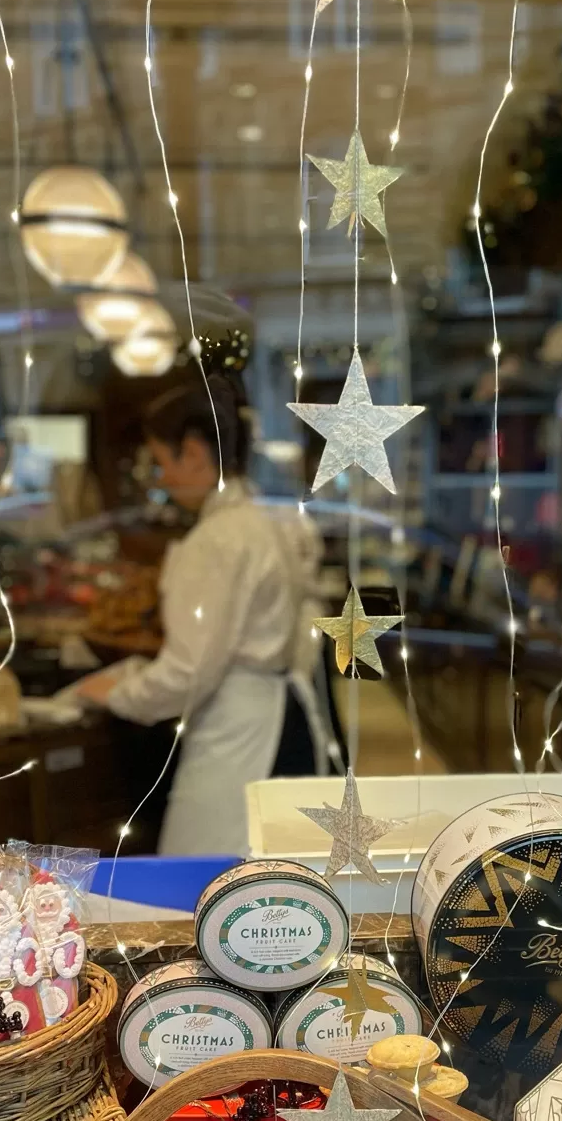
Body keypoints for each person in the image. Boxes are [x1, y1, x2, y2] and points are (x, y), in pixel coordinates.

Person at [75, 365, 331, 854]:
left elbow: (188, 674)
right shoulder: (271, 523)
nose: (162, 479)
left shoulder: (214, 541)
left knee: (204, 882)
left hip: (239, 735)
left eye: (160, 462)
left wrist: (117, 694)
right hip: (285, 716)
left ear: (193, 453)